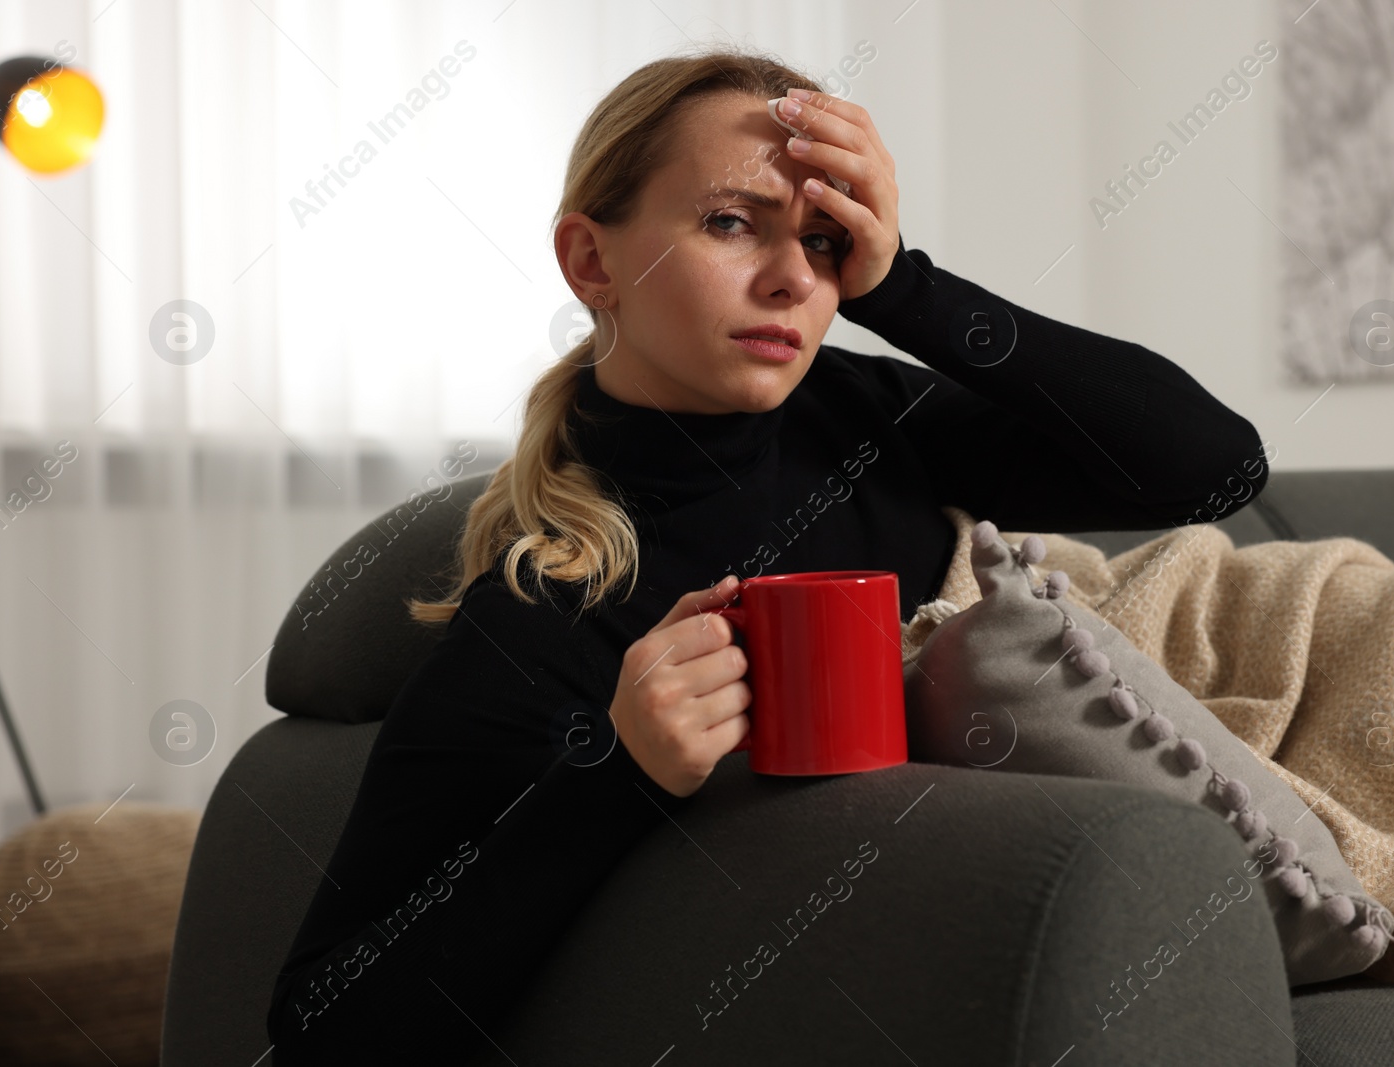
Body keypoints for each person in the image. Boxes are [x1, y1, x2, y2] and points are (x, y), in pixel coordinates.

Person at [265, 46, 1269, 1066]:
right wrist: (621, 772)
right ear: (589, 260)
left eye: (825, 240)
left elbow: (1214, 469)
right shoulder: (551, 615)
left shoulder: (865, 416)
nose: (793, 277)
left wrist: (902, 288)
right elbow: (324, 1027)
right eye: (731, 223)